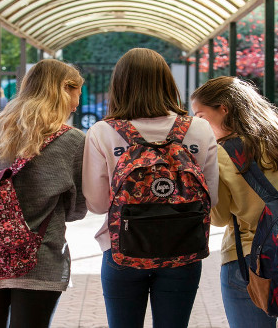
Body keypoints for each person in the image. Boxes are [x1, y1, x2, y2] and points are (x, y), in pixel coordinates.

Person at [82, 48, 219, 328]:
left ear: (119, 86)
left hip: (123, 250)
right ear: (167, 83)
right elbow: (211, 198)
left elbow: (96, 205)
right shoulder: (199, 128)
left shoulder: (103, 131)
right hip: (183, 250)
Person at [190, 76, 278, 328]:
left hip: (248, 262)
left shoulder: (222, 154)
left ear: (224, 109)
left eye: (200, 116)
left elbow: (219, 218)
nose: (198, 124)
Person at [0, 59, 87, 328]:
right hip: (39, 258)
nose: (78, 101)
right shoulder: (72, 140)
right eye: (77, 92)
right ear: (65, 88)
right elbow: (77, 209)